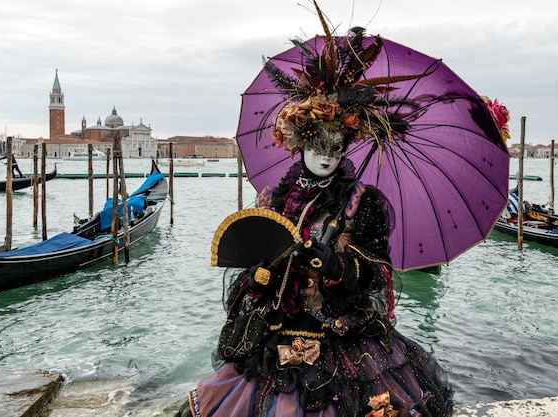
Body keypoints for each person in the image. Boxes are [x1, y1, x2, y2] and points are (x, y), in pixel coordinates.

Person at [175, 14, 453, 417]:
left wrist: (336, 264)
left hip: (341, 338)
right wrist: (260, 275)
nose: (326, 154)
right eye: (317, 142)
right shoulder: (272, 199)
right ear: (300, 141)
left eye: (336, 144)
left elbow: (379, 274)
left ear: (346, 145)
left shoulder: (363, 202)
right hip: (274, 337)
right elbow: (249, 267)